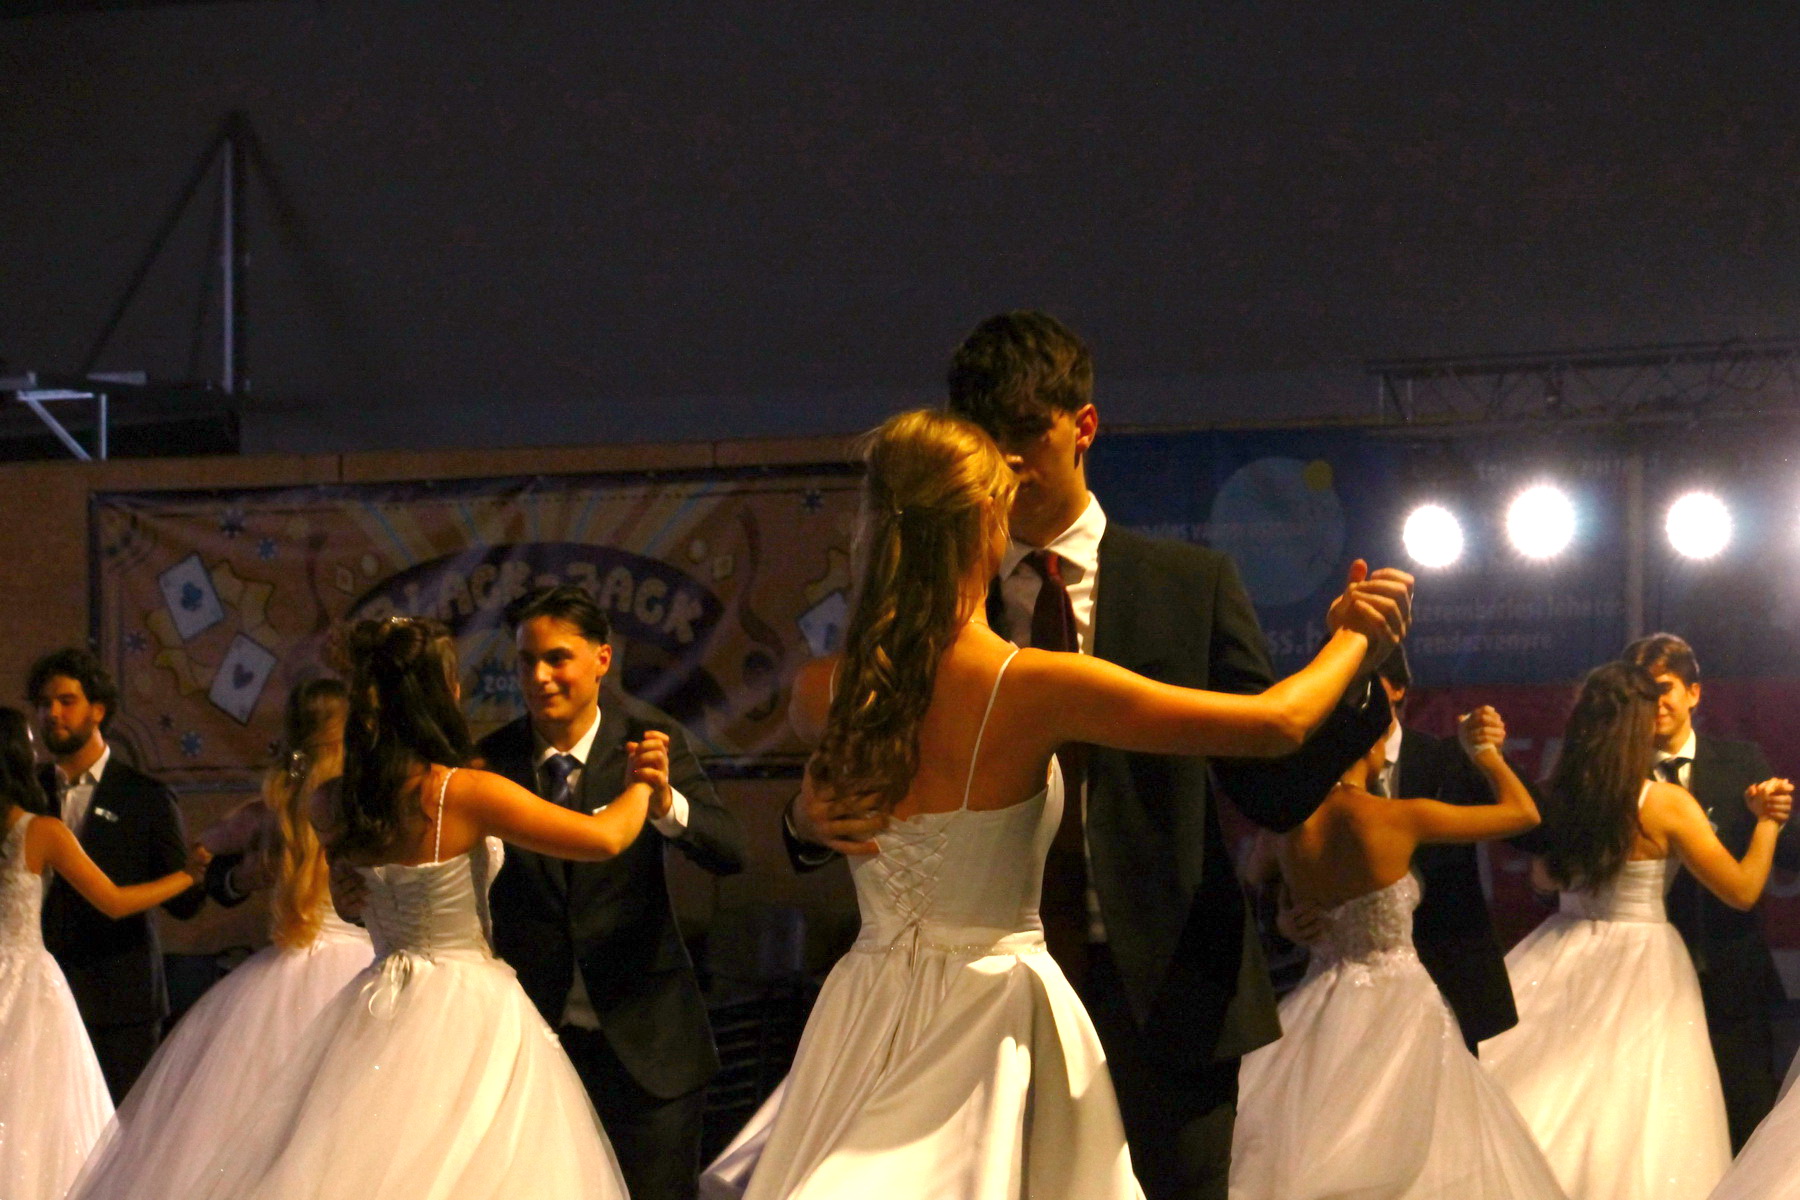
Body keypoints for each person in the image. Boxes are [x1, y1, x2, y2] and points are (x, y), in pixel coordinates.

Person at [705, 409, 1410, 1199]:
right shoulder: (1033, 686)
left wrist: (805, 818)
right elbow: (1277, 724)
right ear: (985, 523)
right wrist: (1356, 637)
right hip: (988, 1010)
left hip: (864, 1010)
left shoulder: (821, 691)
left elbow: (842, 797)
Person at [186, 617, 666, 1199]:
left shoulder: (332, 802)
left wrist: (356, 897)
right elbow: (605, 838)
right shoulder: (463, 793)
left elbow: (353, 896)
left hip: (378, 1002)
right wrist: (642, 784)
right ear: (440, 695)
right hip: (469, 1006)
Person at [1480, 661, 1790, 1200]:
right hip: (1643, 958)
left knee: (1552, 1089)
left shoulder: (1561, 794)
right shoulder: (1665, 803)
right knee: (1637, 1109)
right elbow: (1741, 890)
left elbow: (1543, 878)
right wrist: (1768, 823)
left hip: (1560, 946)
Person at [479, 584, 747, 1200]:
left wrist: (665, 805)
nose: (540, 677)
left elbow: (730, 851)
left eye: (557, 658)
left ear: (602, 658)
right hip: (533, 1046)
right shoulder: (491, 762)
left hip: (649, 1046)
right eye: (526, 661)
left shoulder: (650, 740)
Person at [1230, 706, 1564, 1199]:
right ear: (1369, 748)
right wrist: (1485, 754)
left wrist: (1284, 912)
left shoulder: (1287, 830)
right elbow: (1523, 813)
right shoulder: (1397, 817)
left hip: (1317, 1004)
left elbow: (1254, 880)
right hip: (1399, 1006)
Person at [68, 678, 375, 1200]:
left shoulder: (277, 808)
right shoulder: (353, 808)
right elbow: (208, 869)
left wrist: (237, 874)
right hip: (349, 963)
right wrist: (238, 877)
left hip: (289, 969)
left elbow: (202, 856)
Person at [0, 706, 207, 1200]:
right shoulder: (40, 831)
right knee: (37, 1115)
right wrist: (186, 876)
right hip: (26, 983)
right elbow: (113, 901)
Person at [1277, 645, 1519, 1052]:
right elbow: (1265, 879)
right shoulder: (1301, 795)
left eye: (1362, 685)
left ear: (1398, 688)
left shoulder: (1447, 759)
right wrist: (1284, 919)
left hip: (1447, 983)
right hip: (1336, 1002)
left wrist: (1484, 753)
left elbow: (1533, 830)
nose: (1351, 698)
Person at [1622, 632, 1799, 1151]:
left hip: (1734, 977)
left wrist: (1776, 814)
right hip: (1648, 981)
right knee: (1663, 1129)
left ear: (1694, 693)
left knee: (1748, 1120)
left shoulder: (1742, 762)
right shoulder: (1618, 774)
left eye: (1664, 687)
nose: (1656, 702)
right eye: (1642, 691)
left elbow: (1789, 855)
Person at [29, 645, 207, 1101]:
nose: (52, 713)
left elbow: (186, 903)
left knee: (120, 1128)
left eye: (66, 701)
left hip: (121, 1002)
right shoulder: (29, 793)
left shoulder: (143, 796)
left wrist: (209, 872)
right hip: (44, 993)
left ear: (98, 710)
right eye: (44, 703)